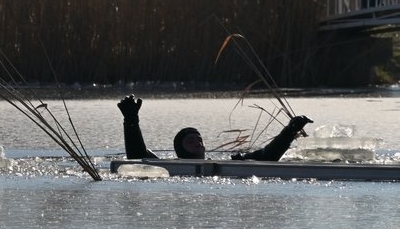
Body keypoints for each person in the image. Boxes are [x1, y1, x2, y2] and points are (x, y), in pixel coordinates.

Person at [116, 94, 313, 161]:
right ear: (180, 149)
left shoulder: (223, 163)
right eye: (190, 141)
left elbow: (267, 156)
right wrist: (131, 121)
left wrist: (290, 130)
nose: (198, 143)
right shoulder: (172, 167)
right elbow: (137, 156)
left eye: (199, 139)